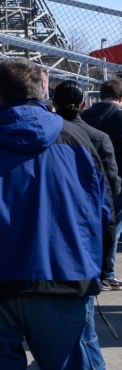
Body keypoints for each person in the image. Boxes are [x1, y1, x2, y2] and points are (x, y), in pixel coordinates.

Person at [0, 59, 112, 370]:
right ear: (43, 90)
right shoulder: (79, 141)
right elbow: (103, 216)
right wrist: (95, 274)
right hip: (64, 278)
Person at [81, 78, 122, 291]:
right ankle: (108, 273)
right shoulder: (120, 118)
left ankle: (94, 270)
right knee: (113, 227)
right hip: (116, 182)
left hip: (88, 181)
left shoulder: (83, 117)